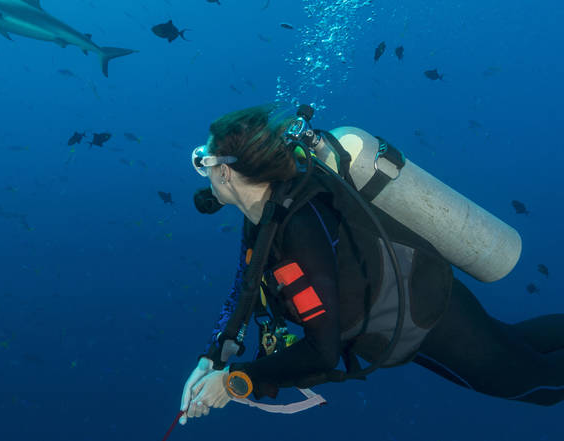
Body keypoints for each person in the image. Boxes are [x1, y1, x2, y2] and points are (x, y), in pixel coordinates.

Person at [179, 104, 564, 424]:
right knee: (517, 344)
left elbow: (323, 351)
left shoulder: (299, 228)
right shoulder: (263, 213)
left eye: (203, 162)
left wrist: (234, 382)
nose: (205, 175)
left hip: (426, 316)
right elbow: (245, 289)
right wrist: (210, 359)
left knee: (539, 388)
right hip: (413, 309)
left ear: (225, 171)